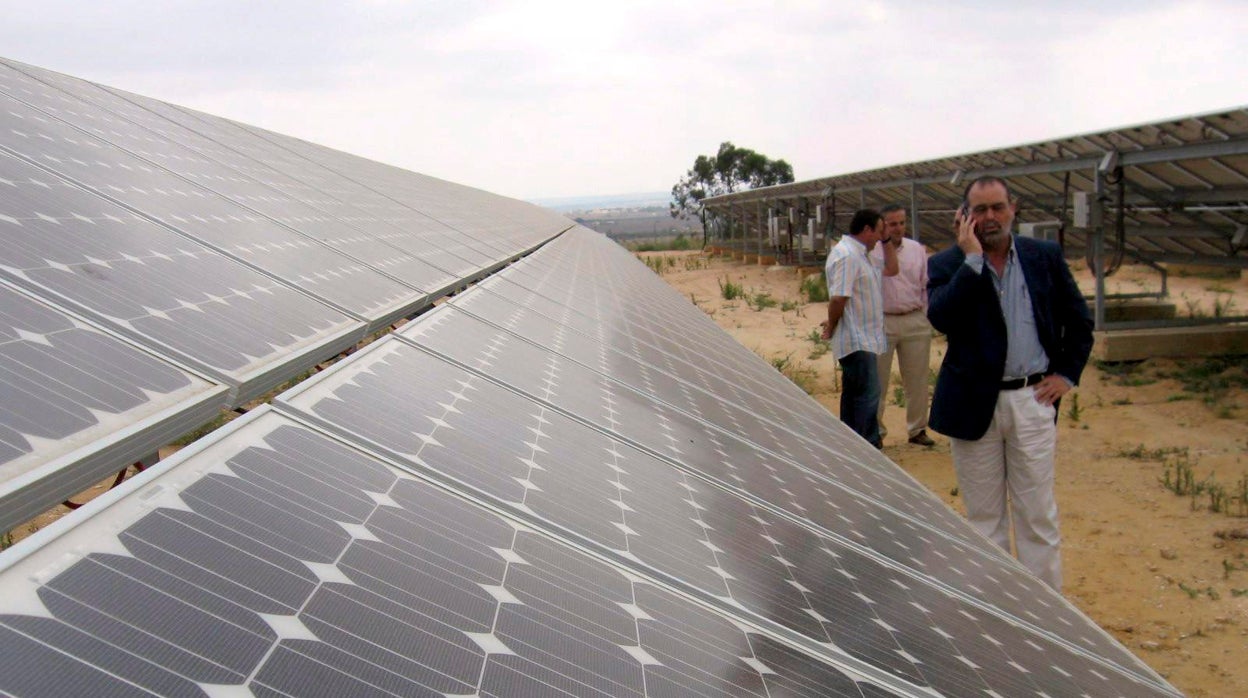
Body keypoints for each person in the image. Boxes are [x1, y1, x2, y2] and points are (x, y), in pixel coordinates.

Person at [927, 176, 1093, 592]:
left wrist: (1066, 375)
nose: (989, 217)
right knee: (984, 519)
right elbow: (941, 318)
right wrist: (972, 261)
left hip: (1032, 399)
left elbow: (1080, 320)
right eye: (979, 209)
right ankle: (999, 612)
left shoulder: (1044, 257)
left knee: (1037, 514)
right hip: (973, 405)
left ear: (1013, 208)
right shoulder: (947, 265)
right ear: (964, 216)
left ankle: (1046, 614)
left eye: (997, 207)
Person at [821, 208, 898, 448]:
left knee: (855, 395)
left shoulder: (863, 255)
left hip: (865, 338)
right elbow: (838, 298)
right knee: (867, 396)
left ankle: (852, 445)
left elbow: (892, 269)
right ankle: (868, 446)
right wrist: (832, 325)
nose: (879, 237)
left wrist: (886, 240)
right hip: (857, 339)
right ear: (866, 229)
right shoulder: (848, 256)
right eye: (878, 231)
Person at [870, 204, 936, 447]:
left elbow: (925, 284)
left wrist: (925, 317)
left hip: (914, 319)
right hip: (883, 320)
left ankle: (917, 429)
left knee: (917, 380)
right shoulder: (873, 251)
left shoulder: (917, 250)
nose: (898, 228)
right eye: (892, 223)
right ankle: (876, 431)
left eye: (901, 223)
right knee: (878, 380)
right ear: (882, 225)